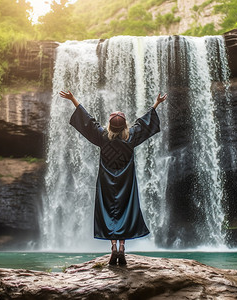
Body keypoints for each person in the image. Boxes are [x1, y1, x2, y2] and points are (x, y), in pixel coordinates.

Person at [59, 90, 167, 265]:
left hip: (106, 183)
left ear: (110, 125)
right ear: (125, 126)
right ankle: (123, 247)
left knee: (108, 212)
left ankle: (113, 248)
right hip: (127, 182)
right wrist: (157, 103)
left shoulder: (102, 137)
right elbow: (144, 122)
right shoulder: (131, 137)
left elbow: (88, 122)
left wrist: (73, 99)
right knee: (125, 211)